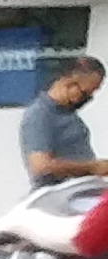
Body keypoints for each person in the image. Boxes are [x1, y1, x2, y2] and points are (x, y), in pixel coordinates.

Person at [21, 54, 104, 189]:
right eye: (85, 93)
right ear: (69, 83)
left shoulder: (70, 116)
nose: (88, 99)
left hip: (81, 190)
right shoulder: (40, 114)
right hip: (57, 196)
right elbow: (40, 166)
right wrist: (92, 167)